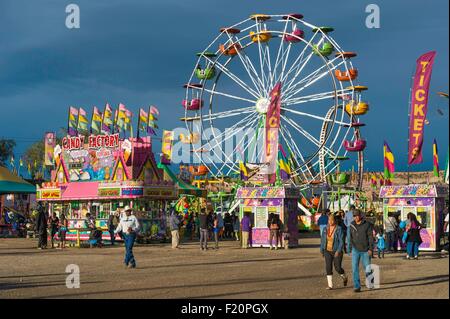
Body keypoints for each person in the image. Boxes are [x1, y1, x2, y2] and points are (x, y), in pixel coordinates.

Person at [347, 209, 374, 293]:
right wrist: (349, 248)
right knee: (354, 268)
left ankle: (370, 283)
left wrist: (370, 249)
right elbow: (349, 238)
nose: (356, 217)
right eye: (354, 216)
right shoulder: (351, 225)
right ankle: (357, 286)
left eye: (357, 215)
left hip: (366, 250)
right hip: (355, 249)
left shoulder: (367, 225)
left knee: (367, 268)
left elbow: (370, 237)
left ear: (360, 216)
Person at [320, 214, 348, 290]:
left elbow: (341, 241)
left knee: (338, 268)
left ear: (335, 220)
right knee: (328, 267)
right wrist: (322, 250)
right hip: (327, 251)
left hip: (336, 251)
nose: (330, 221)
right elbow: (322, 240)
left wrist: (338, 251)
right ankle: (330, 285)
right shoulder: (325, 229)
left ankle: (344, 276)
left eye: (332, 220)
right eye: (329, 220)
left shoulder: (339, 229)